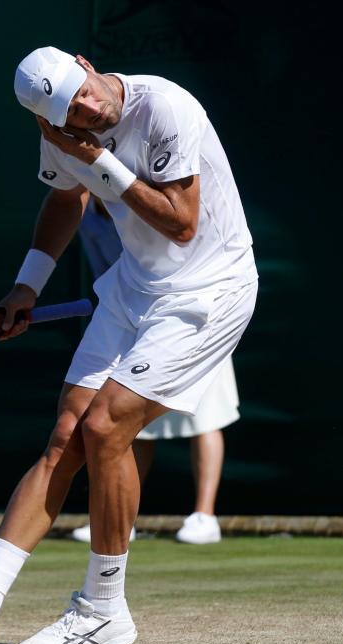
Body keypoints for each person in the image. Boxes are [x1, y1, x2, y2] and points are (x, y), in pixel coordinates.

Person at [0, 47, 257, 644]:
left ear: (85, 63)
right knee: (66, 435)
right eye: (68, 113)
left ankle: (103, 612)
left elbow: (180, 223)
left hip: (210, 291)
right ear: (48, 123)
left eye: (82, 92)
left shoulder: (166, 107)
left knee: (106, 427)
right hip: (134, 289)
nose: (85, 107)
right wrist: (27, 286)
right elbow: (65, 200)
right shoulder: (64, 133)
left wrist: (98, 158)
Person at [71, 196, 240, 545]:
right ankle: (120, 519)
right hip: (132, 318)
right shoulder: (85, 216)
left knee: (205, 417)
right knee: (128, 424)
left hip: (195, 310)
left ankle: (205, 517)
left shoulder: (146, 201)